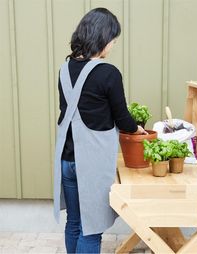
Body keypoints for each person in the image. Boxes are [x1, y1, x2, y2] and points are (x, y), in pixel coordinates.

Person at [53, 7, 147, 254]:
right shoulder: (108, 73)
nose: (112, 46)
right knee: (91, 230)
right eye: (113, 40)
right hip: (91, 166)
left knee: (74, 223)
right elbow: (122, 118)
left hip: (66, 159)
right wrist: (136, 129)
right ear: (102, 38)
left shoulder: (65, 70)